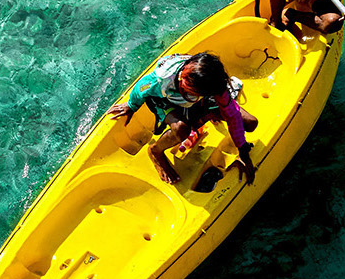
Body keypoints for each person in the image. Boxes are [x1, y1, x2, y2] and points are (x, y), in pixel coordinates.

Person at [106, 53, 259, 186]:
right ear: (182, 79)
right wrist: (131, 106)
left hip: (194, 99)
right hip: (164, 100)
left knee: (250, 122)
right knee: (181, 129)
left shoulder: (214, 85)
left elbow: (232, 116)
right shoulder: (162, 79)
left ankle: (204, 115)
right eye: (191, 92)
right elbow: (141, 87)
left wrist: (243, 151)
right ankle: (156, 152)